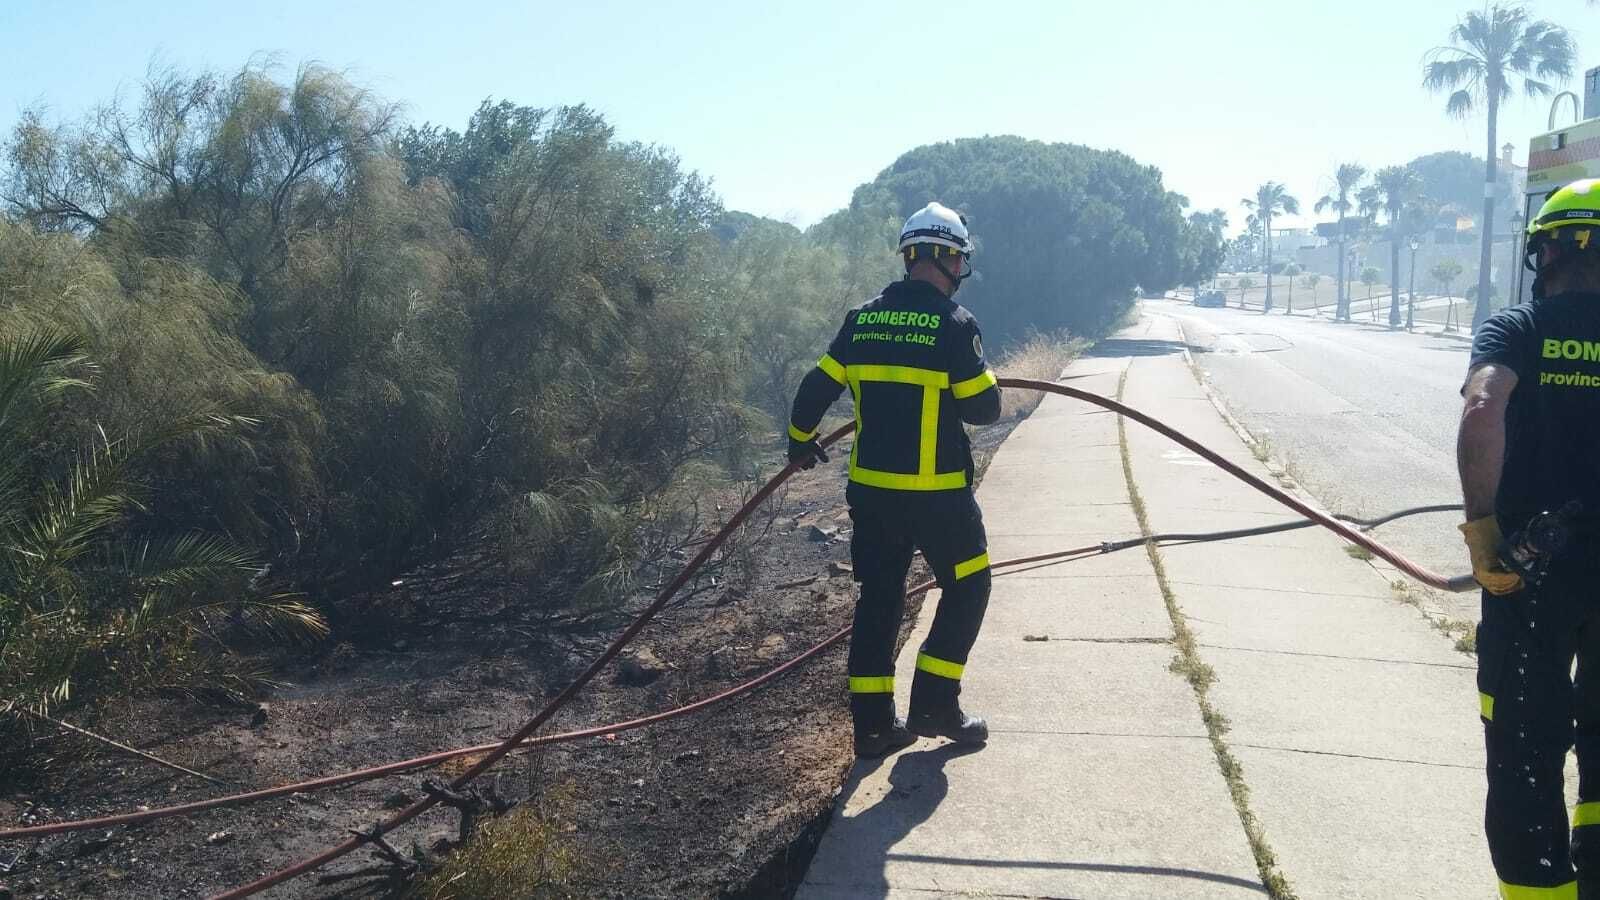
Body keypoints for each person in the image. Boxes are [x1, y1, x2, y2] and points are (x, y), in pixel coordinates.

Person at [786, 201, 1003, 759]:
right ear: (951, 260)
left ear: (910, 257)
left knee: (878, 600)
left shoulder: (862, 319)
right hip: (937, 498)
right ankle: (934, 703)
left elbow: (817, 384)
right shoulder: (954, 325)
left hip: (873, 495)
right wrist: (984, 374)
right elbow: (983, 409)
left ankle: (875, 727)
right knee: (969, 584)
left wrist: (799, 438)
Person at [1459, 178, 1600, 899]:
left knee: (1523, 741)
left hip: (1532, 574)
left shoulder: (1518, 327)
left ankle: (1541, 888)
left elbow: (1484, 406)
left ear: (1543, 253)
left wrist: (1482, 531)